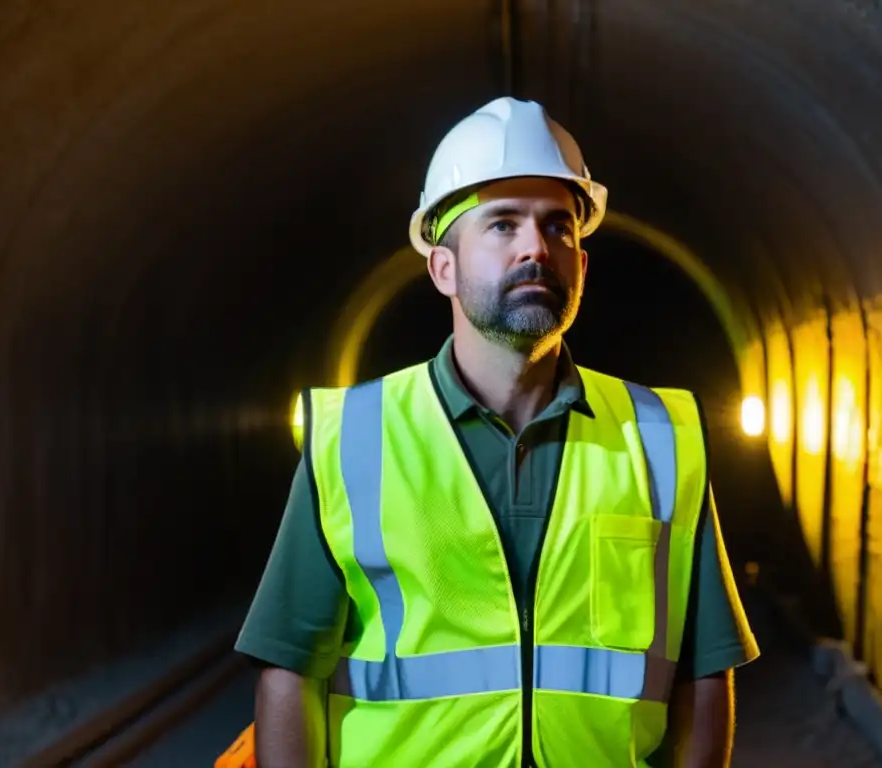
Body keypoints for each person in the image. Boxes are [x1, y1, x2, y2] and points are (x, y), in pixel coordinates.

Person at [232, 96, 759, 768]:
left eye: (558, 228)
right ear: (442, 267)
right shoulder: (354, 437)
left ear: (583, 265)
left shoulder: (661, 438)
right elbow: (290, 671)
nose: (536, 248)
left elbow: (703, 676)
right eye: (502, 225)